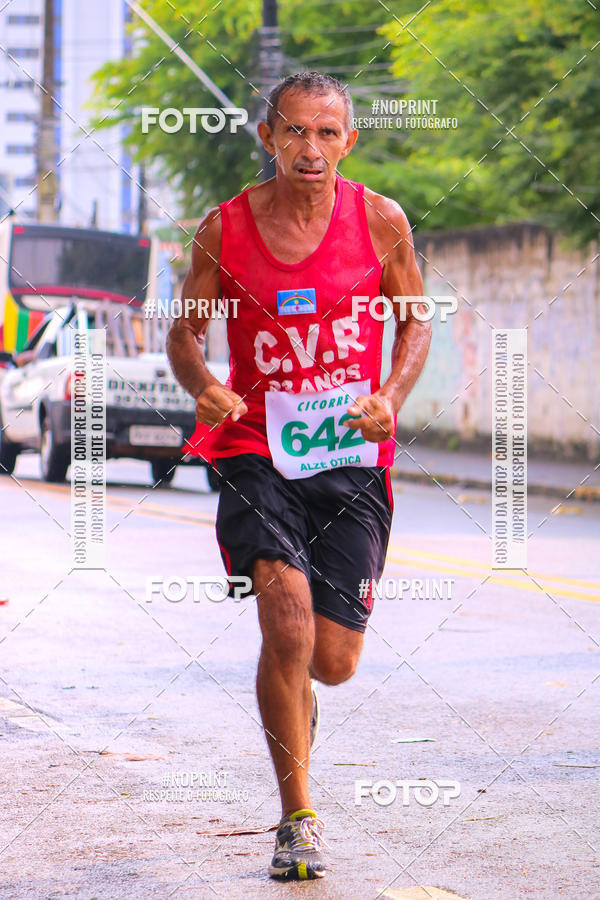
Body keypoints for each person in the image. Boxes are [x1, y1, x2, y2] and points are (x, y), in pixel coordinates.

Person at [167, 71, 431, 881]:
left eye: (326, 133)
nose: (309, 148)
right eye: (294, 132)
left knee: (332, 659)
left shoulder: (381, 221)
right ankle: (298, 821)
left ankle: (302, 699)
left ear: (348, 140)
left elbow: (417, 317)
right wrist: (205, 386)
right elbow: (186, 332)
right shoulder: (226, 229)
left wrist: (389, 395)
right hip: (254, 447)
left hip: (350, 452)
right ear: (268, 138)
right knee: (284, 622)